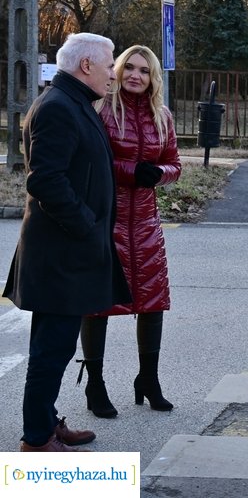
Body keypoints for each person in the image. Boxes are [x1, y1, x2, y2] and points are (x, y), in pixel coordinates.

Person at [3, 33, 132, 452]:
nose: (114, 72)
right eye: (110, 63)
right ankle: (37, 440)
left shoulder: (72, 101)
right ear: (87, 66)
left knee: (55, 346)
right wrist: (86, 225)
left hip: (65, 252)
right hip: (61, 253)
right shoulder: (59, 107)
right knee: (51, 349)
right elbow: (46, 179)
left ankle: (44, 421)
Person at [78, 45, 181, 418]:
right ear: (118, 71)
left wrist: (161, 174)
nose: (136, 75)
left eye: (145, 70)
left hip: (147, 223)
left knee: (153, 303)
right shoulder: (101, 111)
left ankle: (148, 380)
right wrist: (131, 171)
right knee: (99, 305)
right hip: (108, 219)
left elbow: (174, 163)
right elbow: (95, 160)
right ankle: (95, 385)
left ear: (154, 78)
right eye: (129, 68)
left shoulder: (163, 116)